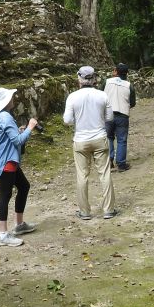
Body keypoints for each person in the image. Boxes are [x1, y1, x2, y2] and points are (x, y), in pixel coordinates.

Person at [63, 66, 117, 219]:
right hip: (99, 138)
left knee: (82, 176)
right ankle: (109, 210)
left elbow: (67, 120)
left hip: (80, 140)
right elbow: (110, 118)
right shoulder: (102, 95)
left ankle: (85, 212)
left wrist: (77, 119)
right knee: (104, 174)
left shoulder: (72, 97)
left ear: (79, 79)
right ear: (94, 79)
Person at [0, 88, 39, 247]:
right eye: (10, 97)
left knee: (24, 186)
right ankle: (3, 235)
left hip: (5, 159)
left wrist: (18, 131)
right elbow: (17, 142)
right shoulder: (5, 117)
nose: (13, 98)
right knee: (5, 195)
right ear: (5, 101)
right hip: (6, 161)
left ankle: (19, 224)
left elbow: (7, 137)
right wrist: (30, 127)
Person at [104, 62, 136, 172]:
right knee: (122, 140)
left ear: (116, 72)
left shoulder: (106, 82)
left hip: (107, 114)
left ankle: (109, 160)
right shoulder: (129, 85)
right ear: (127, 73)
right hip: (122, 115)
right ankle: (121, 164)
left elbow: (99, 95)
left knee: (109, 137)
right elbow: (132, 103)